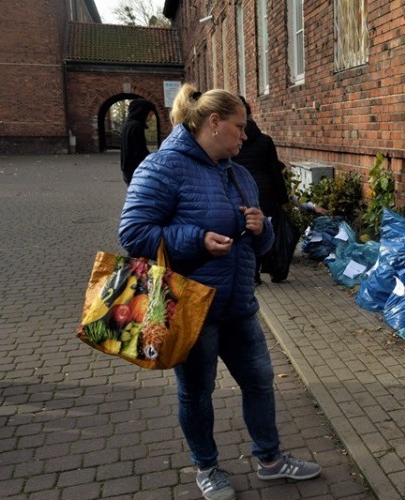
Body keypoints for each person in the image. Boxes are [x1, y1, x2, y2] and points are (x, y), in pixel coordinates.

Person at [118, 83, 321, 500]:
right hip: (190, 306)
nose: (245, 136)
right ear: (213, 123)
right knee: (196, 392)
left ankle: (270, 459)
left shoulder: (239, 173)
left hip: (240, 304)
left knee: (261, 383)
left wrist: (260, 227)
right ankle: (207, 467)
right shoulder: (161, 169)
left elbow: (261, 245)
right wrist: (197, 240)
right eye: (239, 126)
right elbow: (133, 233)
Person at [231, 96, 293, 284]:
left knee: (247, 230)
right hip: (266, 193)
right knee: (265, 229)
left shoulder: (230, 140)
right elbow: (275, 171)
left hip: (242, 193)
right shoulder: (265, 140)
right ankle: (272, 267)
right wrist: (283, 198)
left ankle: (253, 273)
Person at [120, 98, 154, 185]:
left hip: (127, 169)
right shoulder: (136, 126)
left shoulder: (127, 125)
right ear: (142, 112)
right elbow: (140, 151)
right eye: (150, 115)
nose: (151, 119)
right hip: (135, 169)